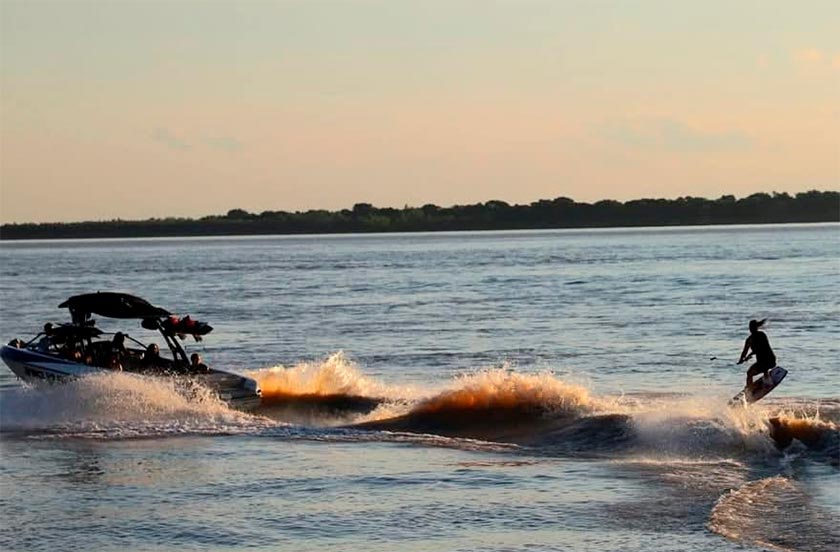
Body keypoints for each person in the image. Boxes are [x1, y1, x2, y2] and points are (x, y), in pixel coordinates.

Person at [738, 319, 776, 387]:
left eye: (752, 327)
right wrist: (741, 359)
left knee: (749, 373)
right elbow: (745, 351)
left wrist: (748, 356)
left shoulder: (761, 335)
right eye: (751, 328)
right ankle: (766, 378)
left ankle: (751, 389)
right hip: (767, 361)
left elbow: (762, 348)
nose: (751, 329)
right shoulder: (751, 339)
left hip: (769, 360)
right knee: (754, 370)